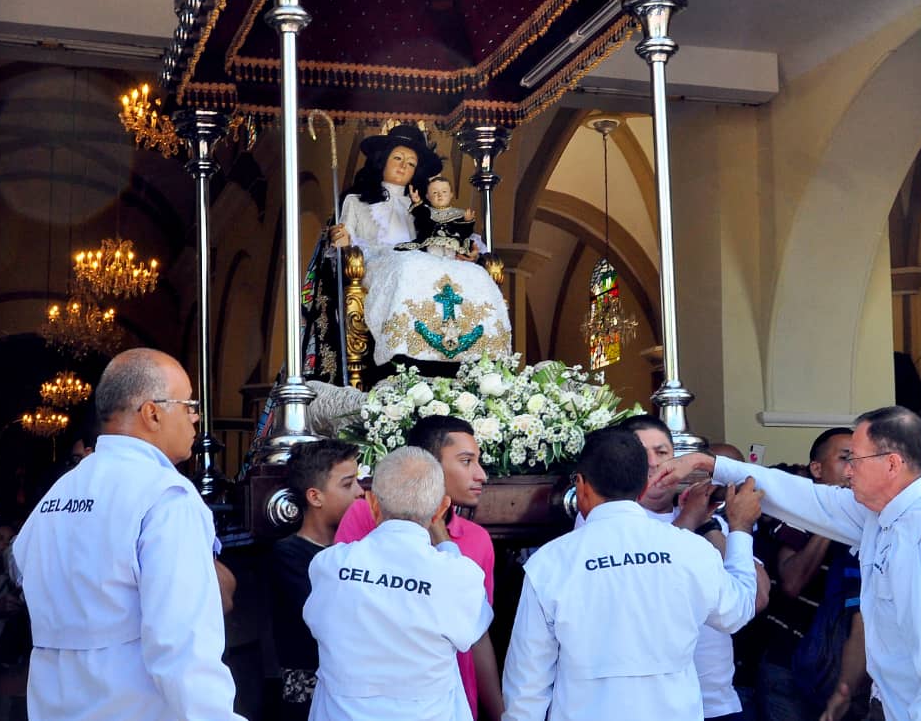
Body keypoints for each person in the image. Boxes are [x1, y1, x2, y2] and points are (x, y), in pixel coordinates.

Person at [652, 406, 921, 721]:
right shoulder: (881, 511)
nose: (848, 471)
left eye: (856, 460)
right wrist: (711, 465)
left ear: (891, 464)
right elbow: (806, 498)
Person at [11, 348, 244, 721]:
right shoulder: (164, 496)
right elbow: (182, 645)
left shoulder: (58, 494)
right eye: (188, 405)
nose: (196, 417)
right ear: (152, 412)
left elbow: (21, 570)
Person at [501, 427, 761, 721]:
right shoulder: (691, 550)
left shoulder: (550, 562)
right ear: (642, 487)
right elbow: (736, 612)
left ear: (582, 485)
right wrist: (740, 530)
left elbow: (527, 682)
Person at [304, 447, 492, 721]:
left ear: (373, 504)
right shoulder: (460, 576)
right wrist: (447, 547)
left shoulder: (328, 565)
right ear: (441, 508)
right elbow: (473, 630)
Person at [321, 123, 510, 370]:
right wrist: (343, 240)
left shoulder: (422, 207)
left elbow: (443, 234)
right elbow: (345, 242)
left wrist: (465, 250)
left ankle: (479, 354)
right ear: (382, 160)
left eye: (410, 163)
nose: (403, 166)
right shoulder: (356, 202)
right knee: (407, 263)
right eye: (398, 158)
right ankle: (401, 350)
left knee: (472, 273)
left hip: (419, 266)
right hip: (376, 265)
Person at [752, 428, 868, 721]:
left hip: (846, 668)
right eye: (845, 459)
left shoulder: (871, 519)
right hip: (787, 664)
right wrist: (831, 521)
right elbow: (792, 582)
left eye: (861, 459)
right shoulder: (794, 516)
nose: (853, 468)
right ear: (816, 468)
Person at [269, 440, 364, 720]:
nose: (360, 493)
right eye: (348, 484)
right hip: (306, 702)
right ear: (315, 496)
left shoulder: (358, 551)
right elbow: (336, 618)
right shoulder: (288, 554)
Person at [396, 176, 478, 259]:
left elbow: (465, 233)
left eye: (444, 192)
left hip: (453, 246)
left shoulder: (459, 213)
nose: (440, 195)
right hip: (430, 244)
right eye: (435, 192)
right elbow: (421, 218)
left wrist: (468, 221)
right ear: (427, 196)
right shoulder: (426, 212)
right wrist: (417, 202)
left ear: (451, 195)